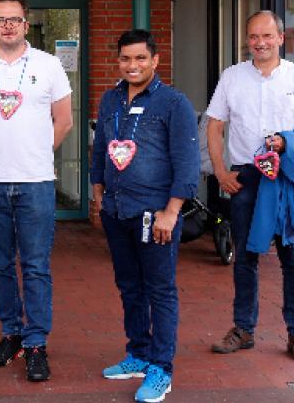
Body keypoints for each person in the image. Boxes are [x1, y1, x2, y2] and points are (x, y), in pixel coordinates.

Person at [0, 0, 73, 382]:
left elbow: (64, 121)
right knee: (0, 266)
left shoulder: (49, 64)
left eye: (15, 19)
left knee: (37, 267)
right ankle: (12, 333)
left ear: (26, 23)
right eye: (0, 19)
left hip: (36, 182)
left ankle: (37, 342)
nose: (8, 25)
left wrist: (36, 153)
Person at [205, 10, 294, 362]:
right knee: (244, 255)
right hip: (246, 177)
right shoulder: (232, 76)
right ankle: (243, 329)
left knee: (293, 256)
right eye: (253, 37)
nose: (259, 43)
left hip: (285, 178)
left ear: (281, 38)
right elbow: (214, 126)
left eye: (266, 36)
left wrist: (289, 142)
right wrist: (220, 172)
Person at [89, 30, 199, 403]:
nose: (132, 65)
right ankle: (138, 353)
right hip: (117, 210)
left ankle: (161, 369)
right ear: (118, 61)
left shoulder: (173, 103)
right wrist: (97, 187)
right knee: (129, 286)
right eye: (125, 59)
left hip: (157, 213)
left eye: (140, 58)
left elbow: (187, 163)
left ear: (155, 60)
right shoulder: (110, 99)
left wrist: (172, 211)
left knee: (160, 289)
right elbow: (101, 149)